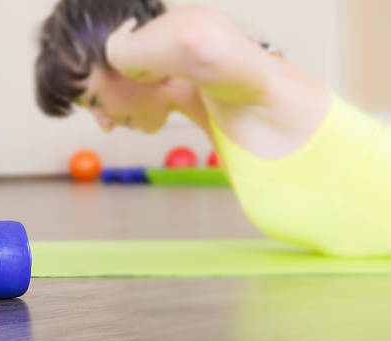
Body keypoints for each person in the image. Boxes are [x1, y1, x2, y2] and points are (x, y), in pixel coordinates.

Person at [35, 0, 391, 257]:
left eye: (95, 100)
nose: (105, 124)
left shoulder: (233, 89)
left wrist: (121, 48)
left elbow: (195, 38)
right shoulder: (219, 104)